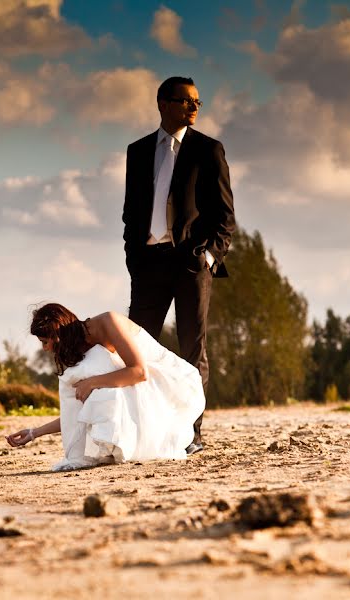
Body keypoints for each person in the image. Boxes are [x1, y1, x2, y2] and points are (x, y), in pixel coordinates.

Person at [122, 76, 235, 455]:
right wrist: (133, 259)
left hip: (191, 264)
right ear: (163, 104)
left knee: (192, 352)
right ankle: (142, 430)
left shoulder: (209, 150)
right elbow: (130, 214)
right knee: (137, 350)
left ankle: (191, 435)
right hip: (149, 264)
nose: (194, 108)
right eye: (186, 101)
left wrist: (207, 256)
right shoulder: (137, 152)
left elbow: (225, 218)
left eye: (198, 102)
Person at [6, 303, 205, 471]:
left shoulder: (107, 322)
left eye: (45, 341)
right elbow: (77, 411)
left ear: (56, 332)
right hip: (143, 387)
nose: (45, 348)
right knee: (86, 385)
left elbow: (139, 372)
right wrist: (34, 433)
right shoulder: (87, 355)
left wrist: (93, 383)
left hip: (172, 381)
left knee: (98, 386)